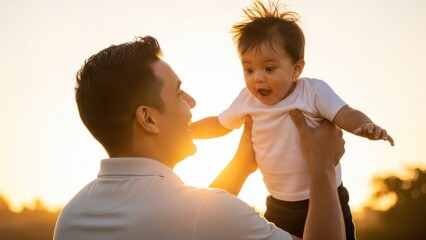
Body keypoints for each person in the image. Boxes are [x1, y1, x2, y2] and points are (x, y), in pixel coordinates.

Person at [54, 35, 346, 239]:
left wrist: (242, 165)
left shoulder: (72, 218)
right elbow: (201, 218)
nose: (192, 103)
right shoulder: (208, 213)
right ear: (149, 118)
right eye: (179, 93)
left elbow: (194, 221)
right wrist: (321, 165)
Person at [189, 1, 394, 239]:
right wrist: (189, 130)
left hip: (328, 196)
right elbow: (218, 123)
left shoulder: (313, 92)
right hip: (279, 204)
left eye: (269, 68)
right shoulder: (247, 100)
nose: (258, 79)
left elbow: (345, 113)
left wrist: (365, 126)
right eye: (249, 70)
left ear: (296, 69)